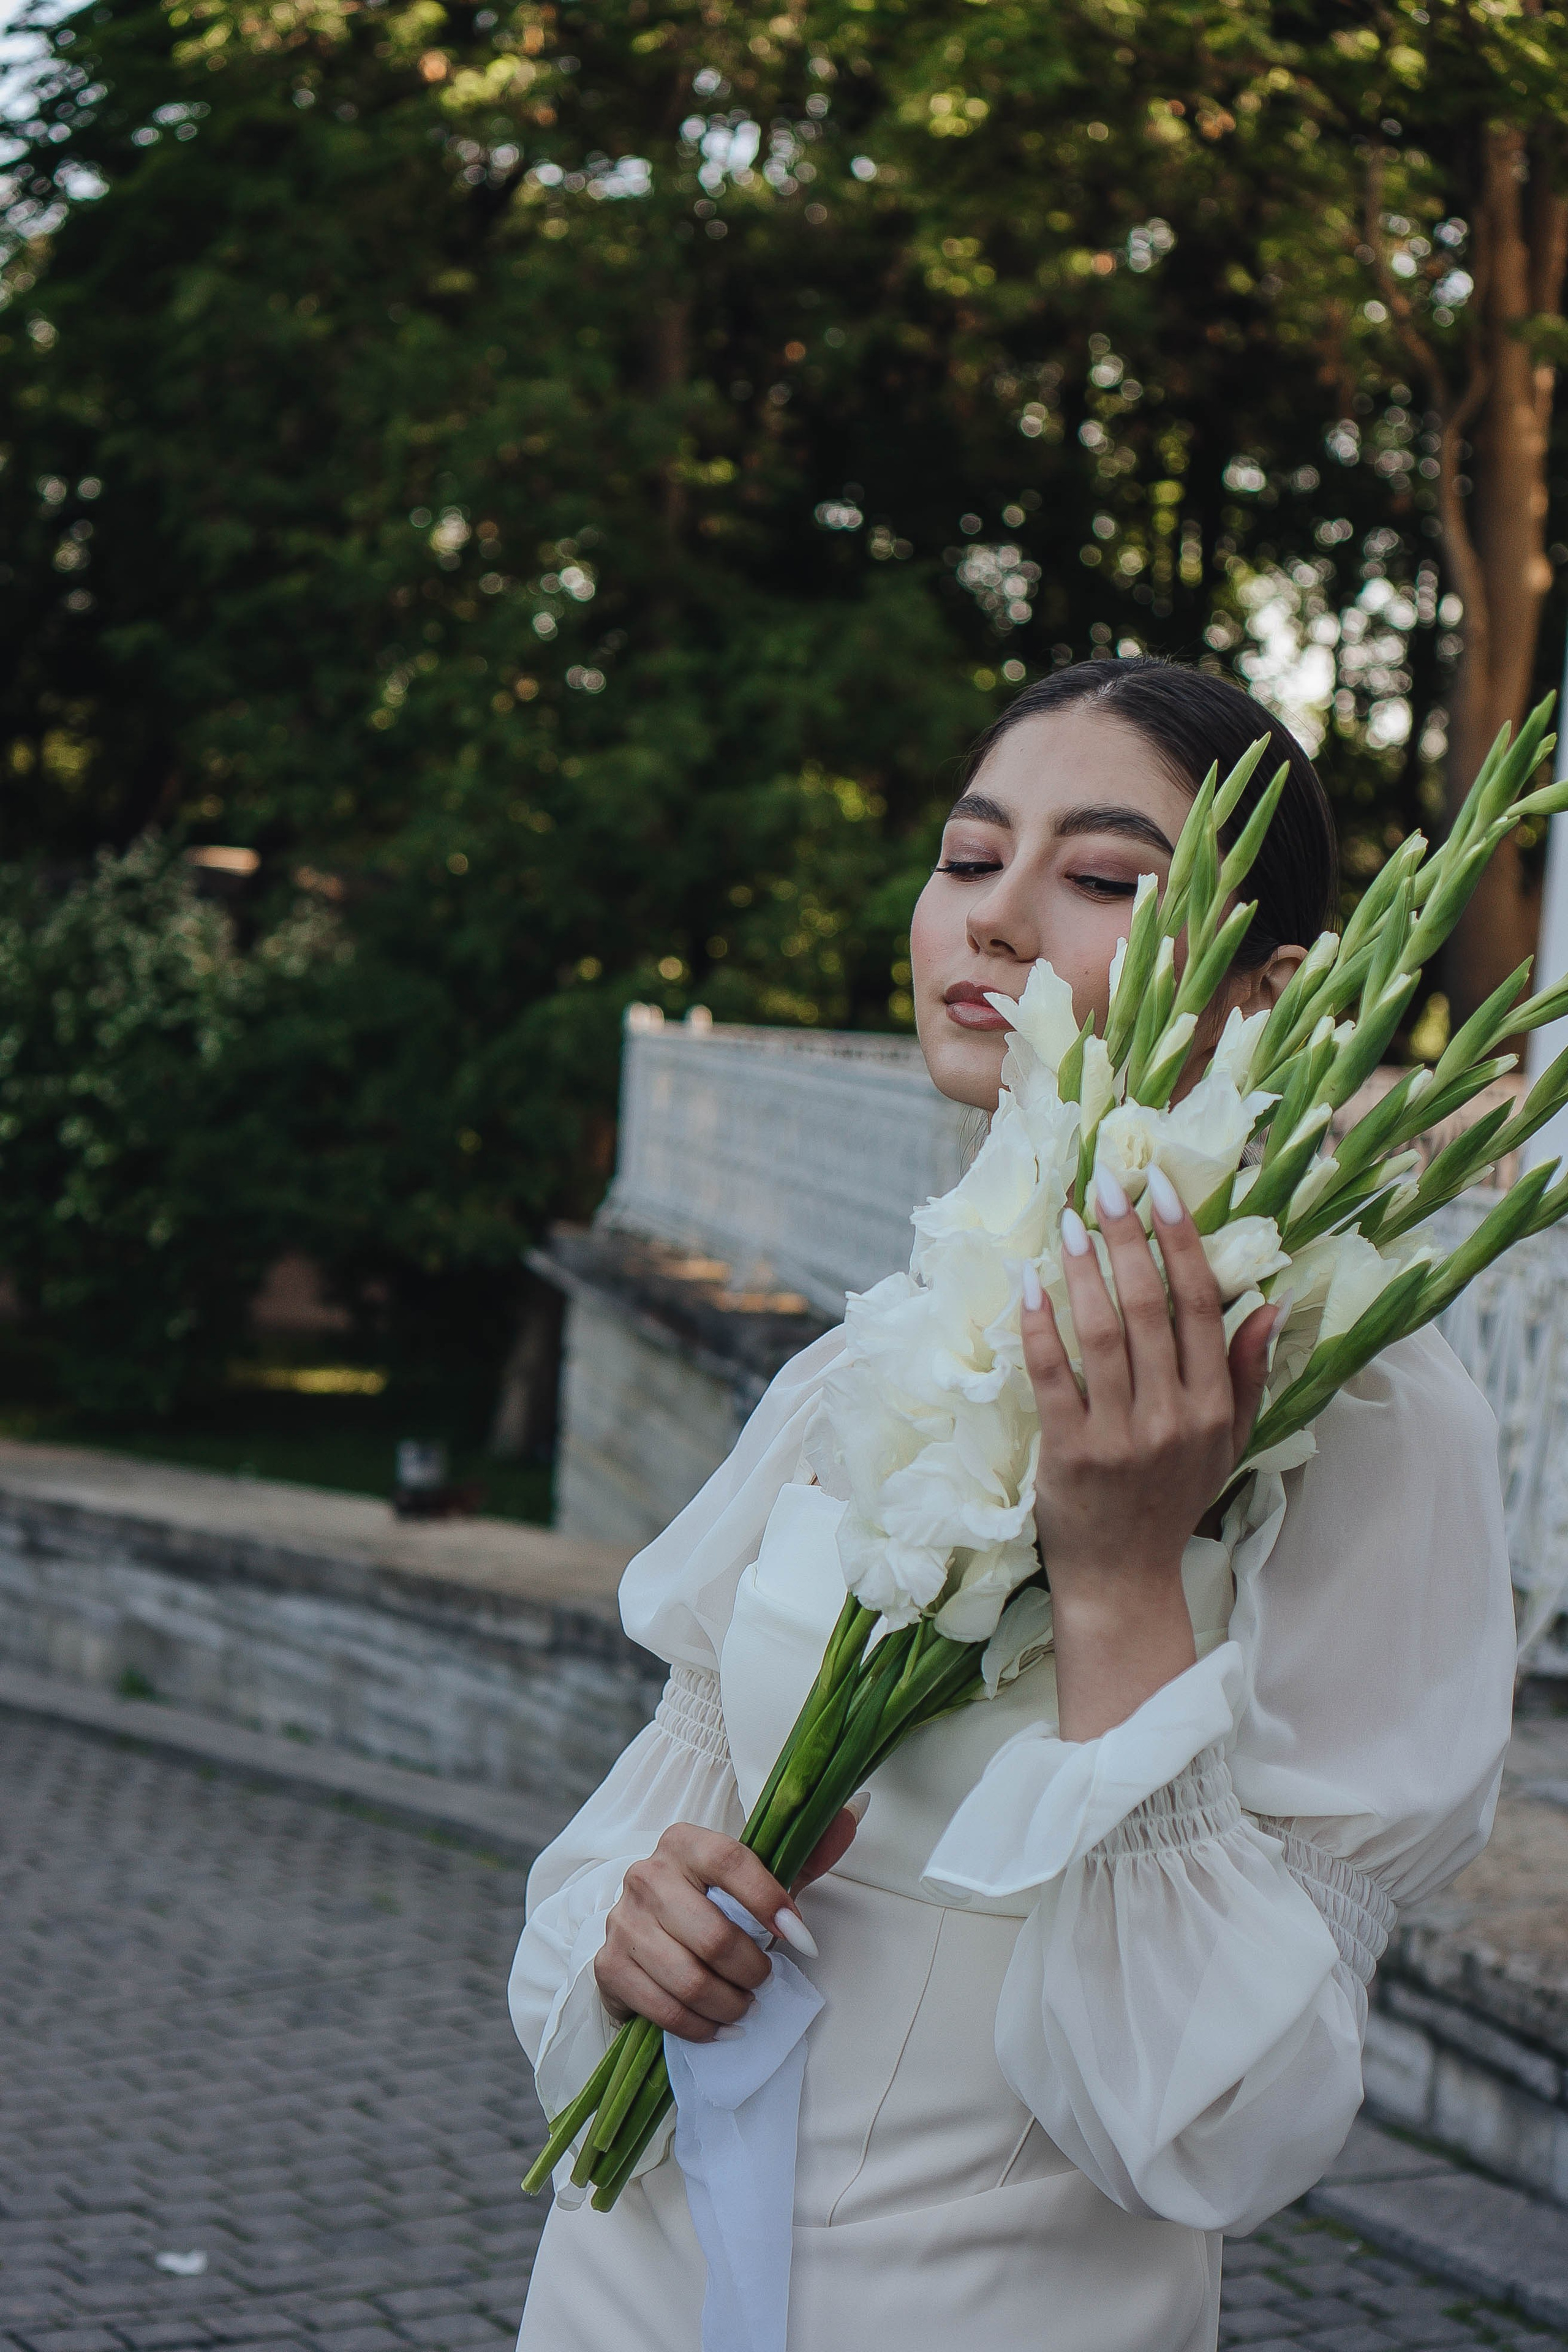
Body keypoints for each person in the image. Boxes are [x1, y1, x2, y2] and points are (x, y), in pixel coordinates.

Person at [507, 657, 1516, 2352]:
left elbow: (1223, 2128)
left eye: (1106, 879)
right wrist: (636, 1943)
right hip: (630, 2285)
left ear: (1276, 993)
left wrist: (1123, 1579)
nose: (993, 922)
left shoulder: (1358, 1404)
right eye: (971, 860)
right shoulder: (869, 1358)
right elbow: (649, 1812)